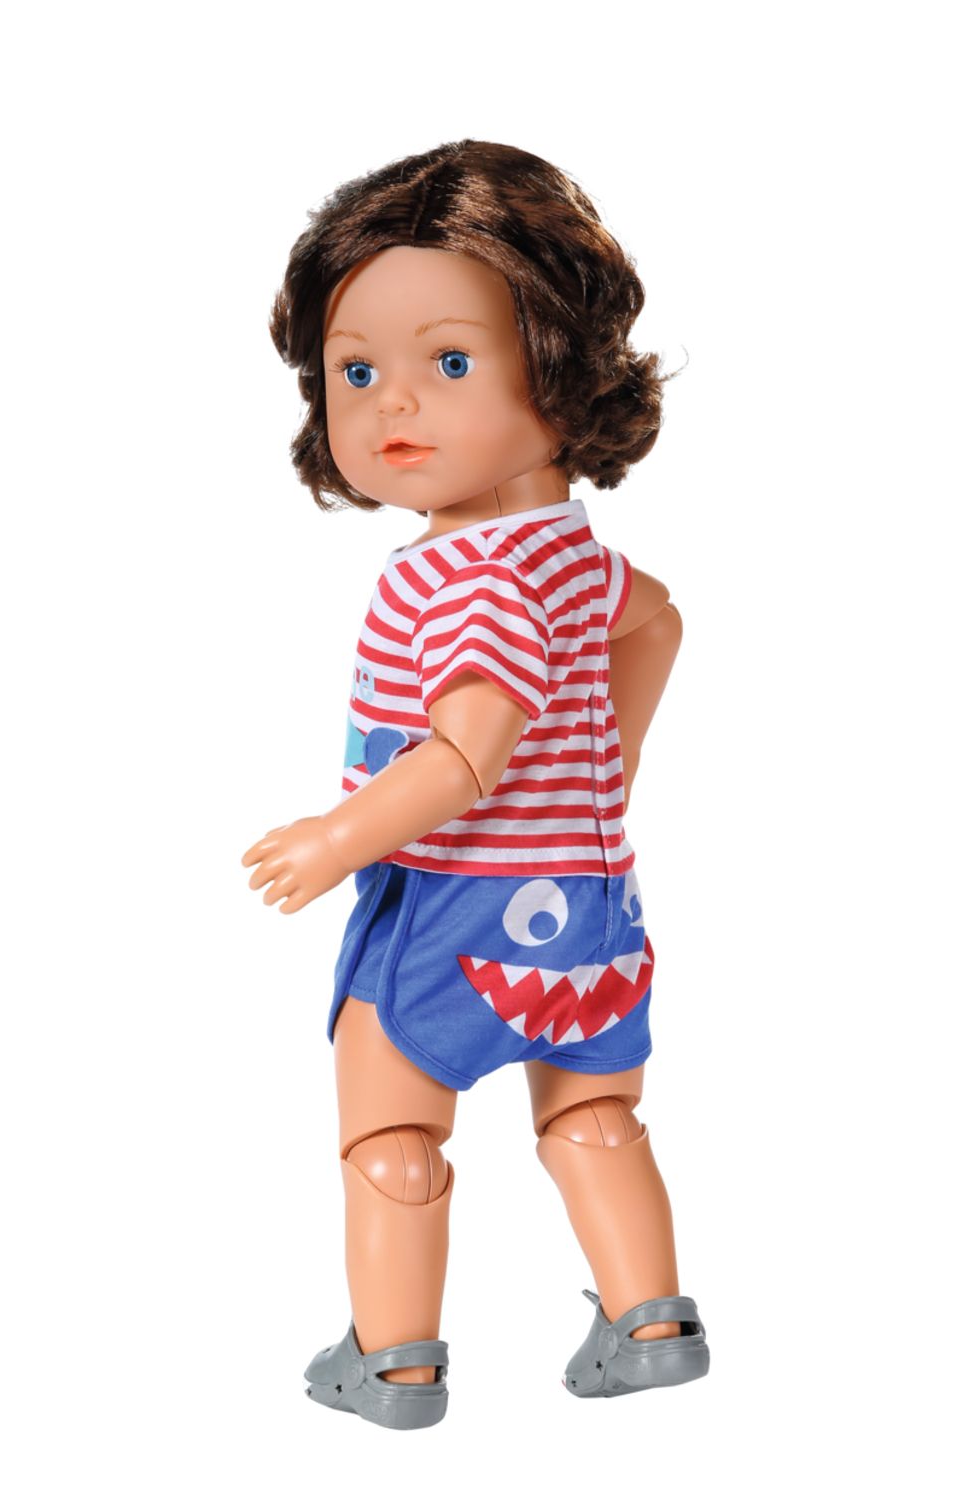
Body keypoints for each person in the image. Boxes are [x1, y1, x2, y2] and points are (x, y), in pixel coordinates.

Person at [242, 140, 709, 1429]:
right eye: (355, 371)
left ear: (564, 366)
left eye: (449, 363)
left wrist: (340, 836)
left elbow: (463, 756)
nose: (393, 402)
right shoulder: (569, 552)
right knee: (593, 1113)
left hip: (453, 907)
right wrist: (605, 769)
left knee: (392, 1124)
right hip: (590, 899)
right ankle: (651, 1320)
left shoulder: (461, 579)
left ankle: (392, 1360)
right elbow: (656, 623)